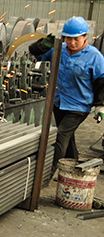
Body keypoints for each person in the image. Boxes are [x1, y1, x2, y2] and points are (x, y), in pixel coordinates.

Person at [30, 16, 104, 175]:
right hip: (58, 102)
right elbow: (35, 53)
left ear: (85, 37)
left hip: (79, 106)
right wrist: (41, 45)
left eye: (76, 39)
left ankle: (47, 175)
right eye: (68, 38)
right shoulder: (58, 49)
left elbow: (101, 82)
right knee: (68, 139)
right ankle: (73, 171)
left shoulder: (94, 56)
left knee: (61, 136)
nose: (72, 42)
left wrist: (100, 105)